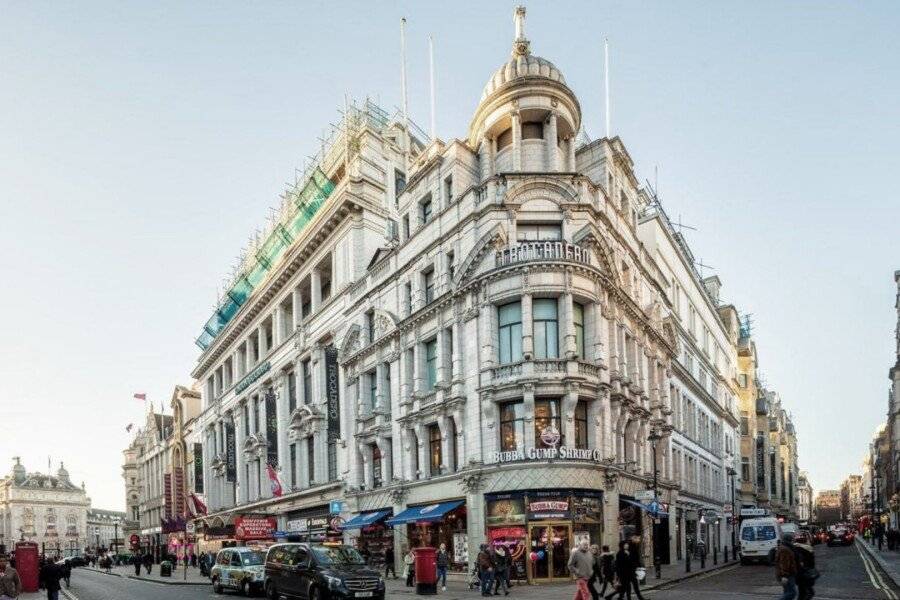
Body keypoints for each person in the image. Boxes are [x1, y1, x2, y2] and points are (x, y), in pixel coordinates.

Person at [775, 533, 799, 600]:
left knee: (787, 592)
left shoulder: (785, 547)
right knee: (792, 592)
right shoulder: (785, 549)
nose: (793, 541)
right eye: (792, 539)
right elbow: (784, 563)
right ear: (789, 540)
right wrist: (784, 575)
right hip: (788, 575)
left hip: (788, 574)